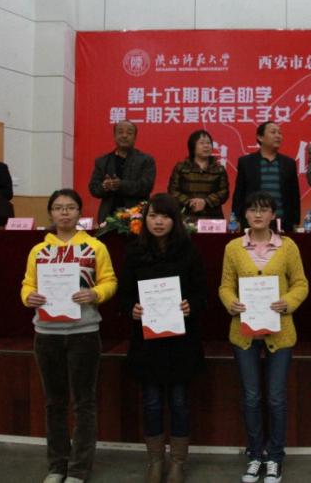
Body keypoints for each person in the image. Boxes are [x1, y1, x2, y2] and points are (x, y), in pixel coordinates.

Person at [20, 189, 117, 483]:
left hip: (84, 333)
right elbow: (27, 284)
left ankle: (78, 469)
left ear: (79, 212)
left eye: (71, 207)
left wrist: (96, 293)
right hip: (46, 334)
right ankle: (57, 466)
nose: (64, 213)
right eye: (59, 208)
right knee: (54, 402)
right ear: (51, 213)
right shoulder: (39, 250)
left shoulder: (95, 247)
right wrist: (28, 297)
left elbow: (109, 281)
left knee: (84, 403)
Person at [219, 191, 309, 483]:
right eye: (252, 209)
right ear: (244, 214)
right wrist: (231, 302)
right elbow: (225, 286)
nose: (258, 215)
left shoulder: (288, 246)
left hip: (279, 332)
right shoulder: (233, 247)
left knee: (276, 398)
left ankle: (275, 458)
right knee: (251, 397)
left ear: (273, 215)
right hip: (243, 332)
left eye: (264, 209)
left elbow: (301, 283)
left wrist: (289, 302)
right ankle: (255, 455)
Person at [120, 193, 206, 483]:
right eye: (153, 215)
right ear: (145, 219)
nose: (158, 222)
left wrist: (191, 305)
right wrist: (131, 309)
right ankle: (155, 460)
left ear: (175, 220)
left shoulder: (189, 251)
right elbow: (124, 294)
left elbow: (202, 292)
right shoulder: (134, 252)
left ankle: (178, 462)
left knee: (180, 402)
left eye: (165, 216)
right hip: (148, 342)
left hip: (181, 341)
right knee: (152, 403)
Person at [232, 121, 300, 233]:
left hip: (282, 222)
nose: (278, 136)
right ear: (260, 137)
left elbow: (294, 195)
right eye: (273, 132)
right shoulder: (246, 162)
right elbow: (239, 193)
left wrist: (295, 222)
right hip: (253, 221)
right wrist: (236, 219)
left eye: (279, 133)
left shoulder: (289, 163)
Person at [88, 120, 156, 224]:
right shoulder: (102, 161)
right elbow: (93, 188)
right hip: (108, 218)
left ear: (135, 137)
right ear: (114, 136)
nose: (124, 136)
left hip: (137, 217)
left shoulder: (146, 160)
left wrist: (121, 185)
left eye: (129, 133)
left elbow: (146, 187)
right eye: (120, 132)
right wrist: (105, 186)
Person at [168, 130, 229, 219]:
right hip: (186, 215)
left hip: (213, 217)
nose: (206, 146)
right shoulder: (181, 168)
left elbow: (224, 192)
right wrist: (189, 202)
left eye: (208, 143)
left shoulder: (219, 169)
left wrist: (205, 202)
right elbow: (172, 191)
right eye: (202, 143)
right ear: (193, 147)